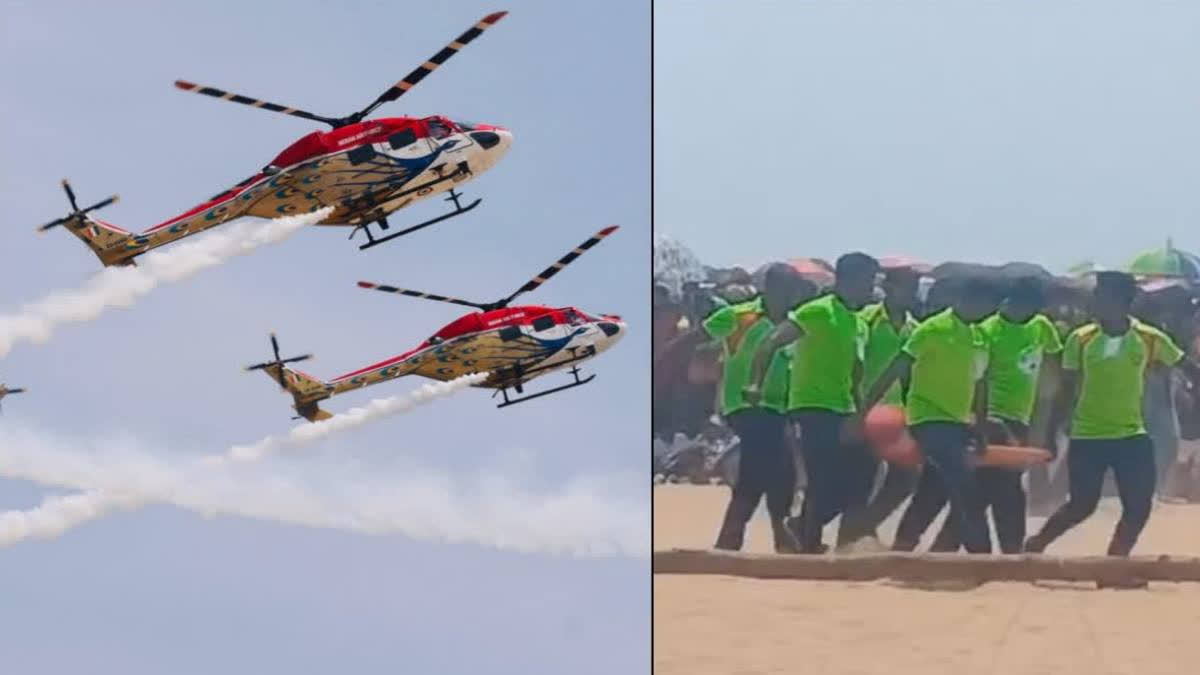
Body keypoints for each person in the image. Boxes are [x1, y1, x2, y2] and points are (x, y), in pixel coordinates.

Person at [1025, 271, 1200, 556]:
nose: (1095, 302)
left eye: (1102, 296)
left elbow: (1188, 367)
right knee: (1082, 505)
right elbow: (1065, 392)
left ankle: (1115, 560)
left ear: (1124, 302)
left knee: (1139, 505)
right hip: (1088, 436)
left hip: (1131, 435)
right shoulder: (1080, 340)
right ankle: (1036, 545)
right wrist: (1048, 435)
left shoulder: (1150, 338)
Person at [673, 264, 816, 552]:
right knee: (769, 466)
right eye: (784, 289)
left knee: (776, 472)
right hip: (745, 405)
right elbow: (692, 339)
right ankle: (763, 538)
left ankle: (742, 537)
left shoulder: (795, 324)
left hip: (780, 408)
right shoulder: (740, 316)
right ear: (769, 289)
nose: (788, 296)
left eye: (793, 291)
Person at [745, 253, 879, 553]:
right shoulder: (816, 311)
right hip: (812, 406)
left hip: (843, 408)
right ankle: (809, 539)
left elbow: (854, 373)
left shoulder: (859, 323)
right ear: (848, 280)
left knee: (860, 475)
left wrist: (860, 411)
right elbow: (770, 343)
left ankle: (803, 528)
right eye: (867, 282)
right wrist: (755, 383)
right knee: (824, 478)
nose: (871, 288)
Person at [861, 277, 1002, 554]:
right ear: (966, 299)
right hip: (929, 420)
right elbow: (897, 368)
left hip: (959, 422)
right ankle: (982, 555)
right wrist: (863, 412)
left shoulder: (980, 336)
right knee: (965, 487)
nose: (985, 311)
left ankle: (902, 546)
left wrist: (981, 426)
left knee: (932, 491)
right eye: (983, 304)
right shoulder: (932, 329)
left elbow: (980, 383)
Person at [929, 277, 1063, 553]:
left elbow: (1051, 372)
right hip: (990, 418)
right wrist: (980, 421)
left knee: (994, 488)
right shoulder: (986, 331)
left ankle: (946, 549)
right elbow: (976, 379)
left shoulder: (1041, 327)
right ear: (1013, 302)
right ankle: (1004, 551)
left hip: (1021, 419)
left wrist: (1046, 426)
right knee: (1005, 489)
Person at [836, 266, 921, 549]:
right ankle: (847, 540)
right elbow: (849, 366)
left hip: (897, 416)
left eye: (914, 287)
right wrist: (855, 412)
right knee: (861, 480)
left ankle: (862, 531)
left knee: (905, 479)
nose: (909, 293)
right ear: (888, 287)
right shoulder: (865, 321)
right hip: (864, 410)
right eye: (905, 286)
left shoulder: (915, 329)